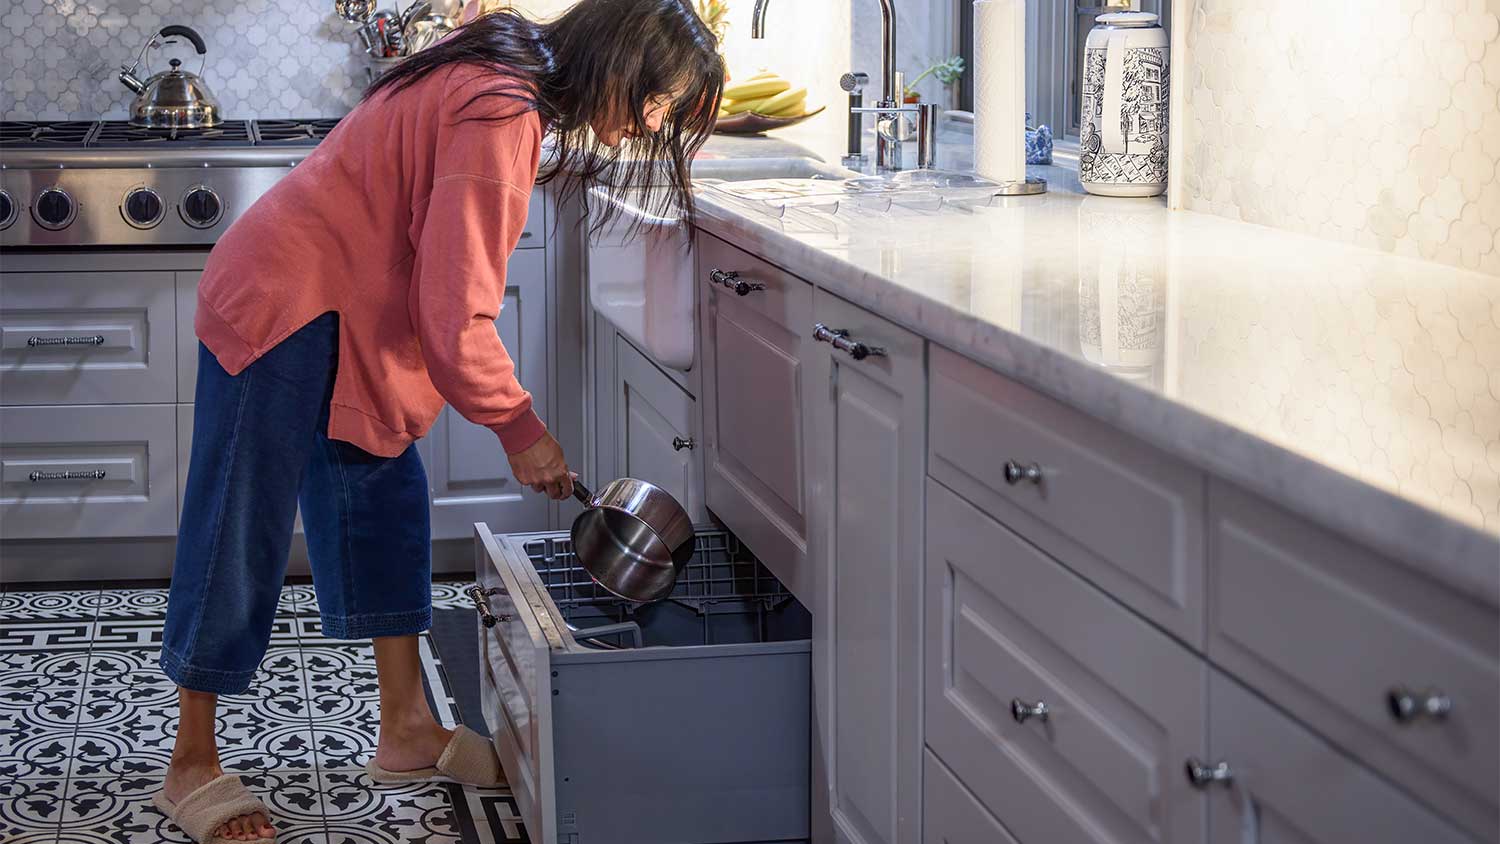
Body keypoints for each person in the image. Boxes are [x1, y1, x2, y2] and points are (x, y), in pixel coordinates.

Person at [152, 2, 723, 840]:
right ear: (622, 59)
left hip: (354, 310)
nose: (649, 126)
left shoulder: (507, 57)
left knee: (385, 506)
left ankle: (409, 728)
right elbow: (456, 313)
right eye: (659, 103)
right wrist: (521, 428)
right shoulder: (503, 109)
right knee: (239, 524)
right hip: (286, 305)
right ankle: (190, 760)